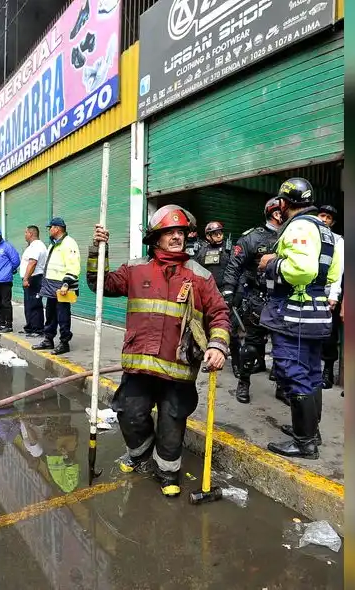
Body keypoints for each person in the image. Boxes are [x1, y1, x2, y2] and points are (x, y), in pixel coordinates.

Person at [89, 205, 230, 497]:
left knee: (171, 420)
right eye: (170, 232)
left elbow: (219, 313)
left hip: (178, 368)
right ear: (156, 238)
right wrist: (98, 250)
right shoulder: (135, 268)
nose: (177, 237)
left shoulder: (200, 275)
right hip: (140, 365)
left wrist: (217, 345)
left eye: (180, 232)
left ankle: (167, 471)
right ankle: (141, 456)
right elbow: (99, 284)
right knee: (129, 414)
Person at [259, 178, 343, 459]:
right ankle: (311, 431)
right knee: (311, 374)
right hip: (317, 313)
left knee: (293, 373)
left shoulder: (300, 226)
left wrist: (272, 262)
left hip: (294, 314)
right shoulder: (328, 231)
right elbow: (332, 275)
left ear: (284, 202)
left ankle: (304, 443)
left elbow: (302, 269)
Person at [221, 199, 284, 404]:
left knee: (284, 347)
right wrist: (229, 291)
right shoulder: (253, 238)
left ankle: (283, 388)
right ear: (276, 214)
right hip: (258, 299)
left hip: (285, 300)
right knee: (252, 346)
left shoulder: (293, 236)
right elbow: (234, 265)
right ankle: (244, 383)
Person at [193, 221, 241, 378]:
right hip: (207, 294)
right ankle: (208, 359)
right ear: (208, 236)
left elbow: (235, 272)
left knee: (231, 332)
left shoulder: (229, 250)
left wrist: (231, 293)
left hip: (225, 293)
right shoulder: (201, 251)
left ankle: (237, 364)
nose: (219, 235)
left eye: (220, 232)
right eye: (215, 233)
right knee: (204, 330)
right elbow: (196, 271)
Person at [33, 217, 80, 355]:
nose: (49, 230)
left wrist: (66, 284)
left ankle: (64, 342)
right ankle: (49, 339)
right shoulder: (54, 244)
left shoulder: (69, 244)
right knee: (50, 314)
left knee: (63, 315)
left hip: (62, 287)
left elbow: (74, 265)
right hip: (51, 286)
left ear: (57, 228)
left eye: (51, 227)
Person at [317, 205, 344, 389]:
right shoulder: (310, 235)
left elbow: (339, 268)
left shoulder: (338, 240)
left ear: (332, 222)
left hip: (327, 293)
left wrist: (334, 295)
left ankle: (327, 371)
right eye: (322, 215)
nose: (324, 219)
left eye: (328, 217)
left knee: (328, 334)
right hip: (309, 291)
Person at [0, 227, 20, 333]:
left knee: (6, 303)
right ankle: (1, 323)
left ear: (1, 236)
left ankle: (8, 325)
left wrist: (9, 270)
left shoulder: (7, 247)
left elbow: (16, 261)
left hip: (4, 280)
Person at [19, 225, 48, 336]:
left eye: (26, 232)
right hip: (31, 278)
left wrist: (26, 278)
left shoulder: (37, 246)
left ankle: (38, 329)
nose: (25, 235)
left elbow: (32, 263)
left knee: (35, 304)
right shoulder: (32, 246)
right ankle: (30, 327)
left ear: (31, 233)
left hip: (34, 278)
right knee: (29, 303)